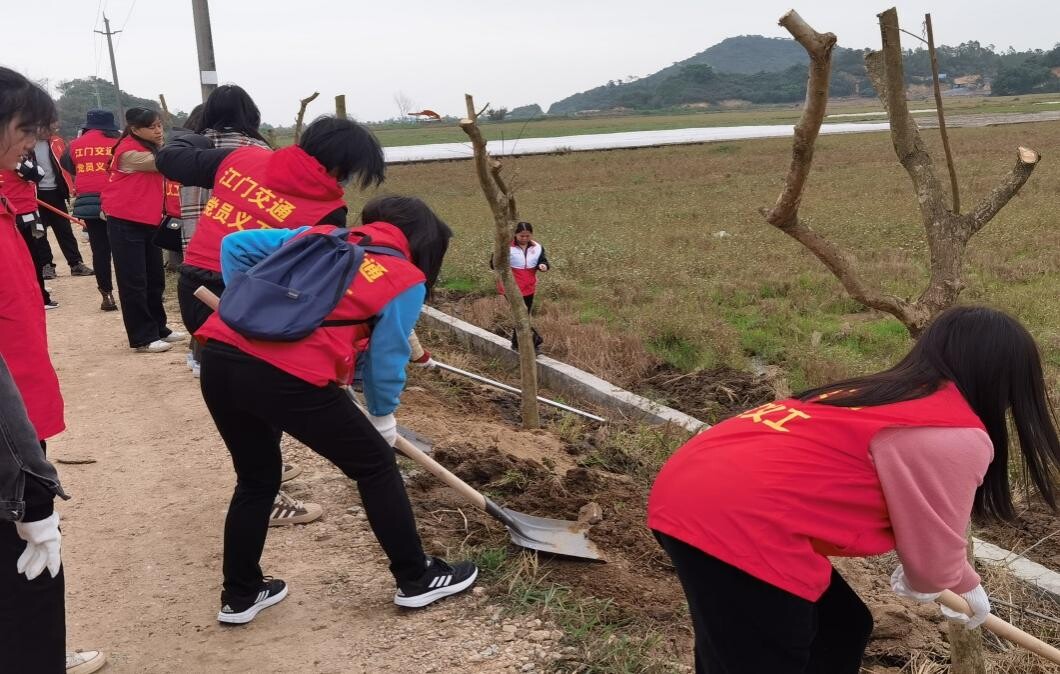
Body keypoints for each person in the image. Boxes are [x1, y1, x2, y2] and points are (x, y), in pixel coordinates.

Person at [647, 305, 1060, 674]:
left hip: (693, 485)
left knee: (840, 628)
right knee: (767, 655)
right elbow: (930, 569)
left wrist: (957, 579)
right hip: (736, 518)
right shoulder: (951, 432)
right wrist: (949, 579)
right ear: (1008, 379)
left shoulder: (876, 393)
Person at [193, 195, 476, 623]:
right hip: (286, 376)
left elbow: (235, 246)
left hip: (219, 355)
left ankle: (241, 595)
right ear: (425, 244)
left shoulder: (318, 234)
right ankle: (416, 578)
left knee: (256, 478)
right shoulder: (404, 277)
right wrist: (382, 417)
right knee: (376, 466)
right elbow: (386, 359)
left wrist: (251, 311)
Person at [157, 114, 386, 524]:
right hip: (246, 302)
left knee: (247, 390)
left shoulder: (240, 159)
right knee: (260, 384)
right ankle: (267, 491)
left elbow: (170, 160)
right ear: (339, 165)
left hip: (194, 289)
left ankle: (266, 467)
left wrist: (188, 137)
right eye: (353, 171)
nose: (349, 180)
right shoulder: (329, 210)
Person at [0, 65, 108, 674]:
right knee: (28, 561)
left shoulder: (4, 196)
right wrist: (28, 476)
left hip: (19, 411)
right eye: (25, 130)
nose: (33, 145)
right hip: (7, 429)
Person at [169, 86, 272, 376]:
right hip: (243, 248)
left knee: (202, 308)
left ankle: (200, 356)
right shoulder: (258, 151)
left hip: (196, 249)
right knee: (240, 315)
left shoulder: (190, 150)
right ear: (251, 114)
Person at [100, 107, 186, 353]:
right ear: (135, 129)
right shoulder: (129, 153)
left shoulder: (149, 147)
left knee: (154, 278)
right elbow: (164, 163)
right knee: (134, 281)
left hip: (148, 220)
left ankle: (159, 328)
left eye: (160, 125)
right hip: (125, 221)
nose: (158, 131)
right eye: (152, 127)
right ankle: (142, 337)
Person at [62, 109, 121, 311]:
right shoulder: (118, 142)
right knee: (123, 250)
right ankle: (133, 294)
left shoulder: (74, 145)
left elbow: (68, 165)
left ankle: (107, 296)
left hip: (89, 201)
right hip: (117, 199)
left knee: (100, 250)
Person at [35, 129, 93, 279]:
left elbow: (67, 166)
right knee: (39, 232)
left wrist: (72, 186)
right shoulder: (24, 144)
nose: (50, 129)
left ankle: (76, 263)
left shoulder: (56, 142)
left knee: (64, 230)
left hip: (56, 192)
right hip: (35, 195)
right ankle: (46, 266)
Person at [0, 150, 56, 308]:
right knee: (32, 257)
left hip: (10, 211)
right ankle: (41, 297)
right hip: (23, 212)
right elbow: (38, 174)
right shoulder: (10, 155)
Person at [492, 221, 548, 351]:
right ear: (515, 234)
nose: (524, 238)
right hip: (511, 287)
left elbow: (543, 260)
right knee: (521, 315)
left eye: (527, 236)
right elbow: (493, 264)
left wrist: (543, 266)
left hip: (529, 287)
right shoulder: (505, 247)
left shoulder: (537, 247)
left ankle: (517, 343)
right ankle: (533, 342)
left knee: (524, 315)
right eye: (521, 236)